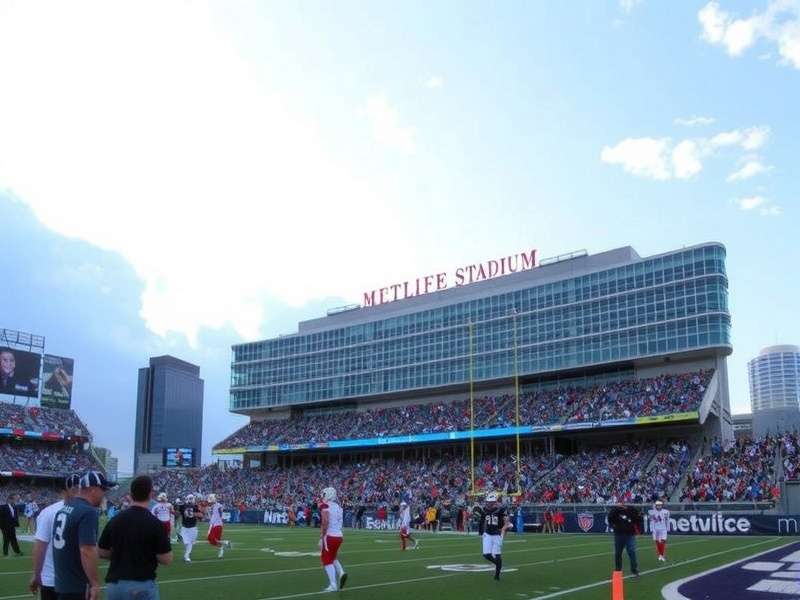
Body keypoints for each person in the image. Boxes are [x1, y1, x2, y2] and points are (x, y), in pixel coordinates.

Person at [98, 474, 172, 600]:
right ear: (150, 494)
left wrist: (121, 555)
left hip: (115, 585)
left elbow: (101, 552)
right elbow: (166, 559)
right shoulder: (155, 524)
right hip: (141, 583)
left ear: (131, 494)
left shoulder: (115, 520)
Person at [53, 470, 115, 600]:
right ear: (93, 489)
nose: (104, 494)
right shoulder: (88, 511)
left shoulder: (65, 508)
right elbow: (87, 550)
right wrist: (94, 583)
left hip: (63, 582)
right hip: (78, 585)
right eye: (103, 489)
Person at [30, 475, 79, 600]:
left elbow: (39, 546)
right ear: (63, 491)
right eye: (75, 489)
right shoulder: (85, 512)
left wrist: (36, 575)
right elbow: (40, 547)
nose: (78, 492)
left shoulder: (48, 512)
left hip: (57, 579)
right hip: (65, 579)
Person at [477, 492, 511, 581]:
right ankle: (498, 564)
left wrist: (504, 528)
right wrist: (481, 532)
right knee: (486, 555)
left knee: (497, 554)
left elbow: (506, 521)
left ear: (494, 502)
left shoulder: (501, 510)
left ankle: (497, 575)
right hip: (488, 533)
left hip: (497, 534)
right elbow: (483, 520)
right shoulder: (485, 510)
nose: (487, 503)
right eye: (487, 502)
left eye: (489, 502)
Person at [319, 487, 346, 592]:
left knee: (326, 559)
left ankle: (333, 584)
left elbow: (325, 521)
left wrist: (322, 536)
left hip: (330, 535)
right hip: (339, 536)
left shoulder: (325, 506)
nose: (322, 496)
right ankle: (341, 572)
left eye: (324, 494)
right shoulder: (339, 507)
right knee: (333, 557)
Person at [607, 502, 641, 577]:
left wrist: (631, 510)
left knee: (632, 552)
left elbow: (637, 519)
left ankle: (634, 569)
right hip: (619, 534)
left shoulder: (631, 509)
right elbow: (610, 518)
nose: (622, 504)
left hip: (630, 534)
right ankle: (618, 570)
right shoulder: (615, 510)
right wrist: (616, 509)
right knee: (618, 553)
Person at [206, 494, 232, 558]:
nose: (210, 501)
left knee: (212, 539)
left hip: (217, 525)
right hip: (213, 524)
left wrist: (210, 511)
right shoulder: (212, 506)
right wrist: (208, 512)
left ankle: (223, 547)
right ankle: (225, 544)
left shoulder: (218, 506)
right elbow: (211, 517)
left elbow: (220, 514)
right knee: (211, 540)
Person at [179, 494, 201, 562]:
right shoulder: (193, 507)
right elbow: (200, 517)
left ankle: (186, 555)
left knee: (189, 543)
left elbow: (200, 517)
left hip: (192, 528)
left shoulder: (185, 506)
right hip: (185, 528)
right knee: (187, 543)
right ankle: (187, 554)